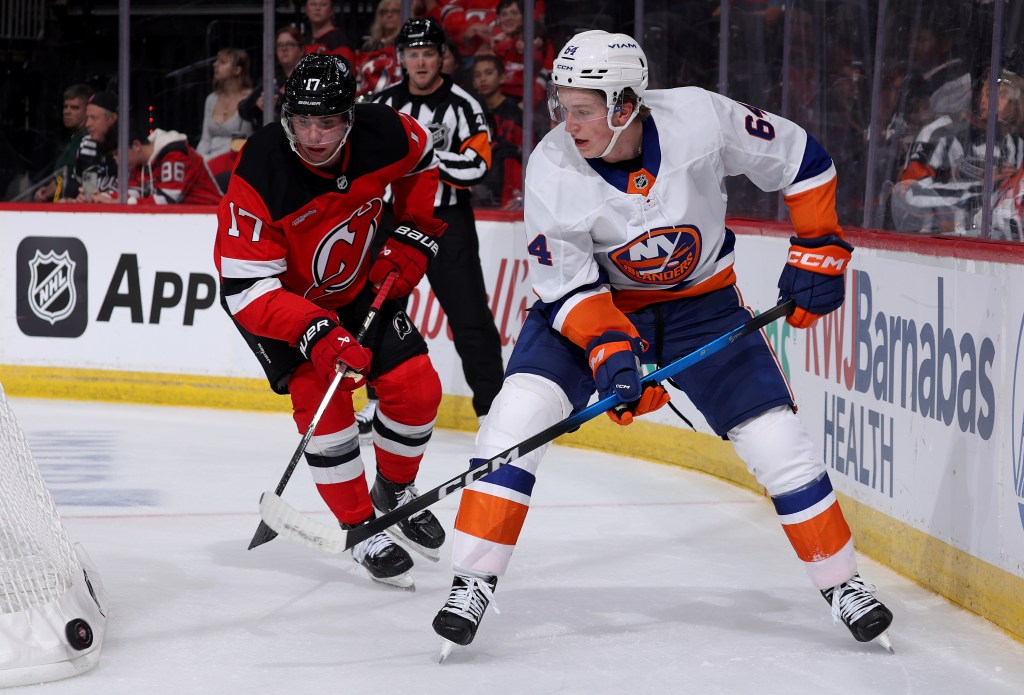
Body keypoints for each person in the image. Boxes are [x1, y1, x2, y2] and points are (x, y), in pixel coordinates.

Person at [431, 30, 894, 657]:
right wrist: (614, 353)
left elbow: (800, 157)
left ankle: (843, 585)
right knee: (514, 424)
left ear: (626, 104)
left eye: (585, 109)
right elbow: (567, 287)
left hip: (700, 307)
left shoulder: (700, 119)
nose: (569, 123)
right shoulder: (552, 166)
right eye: (562, 105)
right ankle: (473, 581)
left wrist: (819, 244)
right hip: (587, 310)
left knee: (777, 443)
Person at [213, 53, 448, 588]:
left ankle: (394, 489)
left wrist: (413, 230)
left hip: (358, 285)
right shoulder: (261, 171)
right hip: (281, 305)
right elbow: (246, 290)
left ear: (352, 115)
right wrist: (317, 331)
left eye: (329, 122)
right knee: (328, 407)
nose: (314, 136)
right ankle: (360, 526)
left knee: (417, 388)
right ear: (286, 114)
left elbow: (422, 158)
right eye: (302, 121)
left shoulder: (383, 132)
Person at [371, 17, 505, 430]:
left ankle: (493, 409)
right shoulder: (381, 104)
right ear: (401, 58)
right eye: (413, 54)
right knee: (378, 312)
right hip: (393, 219)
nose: (422, 62)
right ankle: (377, 403)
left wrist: (422, 156)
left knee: (469, 317)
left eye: (428, 53)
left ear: (441, 56)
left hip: (447, 221)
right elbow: (364, 155)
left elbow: (478, 164)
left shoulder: (464, 104)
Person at [892, 67, 1024, 238]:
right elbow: (908, 193)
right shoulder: (939, 132)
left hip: (990, 249)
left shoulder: (1016, 144)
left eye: (1003, 94)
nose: (992, 100)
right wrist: (988, 189)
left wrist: (1008, 189)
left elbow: (1011, 210)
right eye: (989, 92)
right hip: (934, 247)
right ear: (977, 97)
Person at [89, 126, 222, 205]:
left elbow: (167, 200)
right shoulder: (139, 164)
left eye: (117, 153)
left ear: (136, 146)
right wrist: (101, 197)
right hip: (182, 222)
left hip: (209, 217)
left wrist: (119, 202)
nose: (116, 160)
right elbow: (129, 194)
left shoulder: (175, 153)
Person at [197, 47, 255, 188]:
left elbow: (249, 140)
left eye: (222, 62)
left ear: (237, 70)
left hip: (234, 164)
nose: (215, 65)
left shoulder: (250, 99)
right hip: (209, 162)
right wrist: (196, 164)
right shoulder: (211, 99)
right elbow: (205, 139)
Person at [471, 54, 523, 209]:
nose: (483, 79)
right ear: (473, 82)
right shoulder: (471, 112)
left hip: (509, 188)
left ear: (502, 77)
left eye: (488, 73)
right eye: (478, 75)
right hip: (480, 186)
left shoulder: (516, 113)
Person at [34, 83, 94, 202]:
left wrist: (47, 194)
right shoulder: (72, 139)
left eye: (75, 108)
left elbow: (67, 179)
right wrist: (46, 191)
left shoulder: (89, 141)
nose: (67, 111)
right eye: (65, 107)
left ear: (88, 110)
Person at [238, 27, 306, 125]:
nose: (284, 49)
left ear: (301, 49)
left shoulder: (309, 78)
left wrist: (278, 102)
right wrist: (258, 105)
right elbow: (243, 109)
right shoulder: (271, 77)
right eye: (279, 45)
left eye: (289, 44)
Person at [68, 90, 120, 201]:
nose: (87, 124)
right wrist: (80, 196)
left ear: (112, 119)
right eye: (87, 118)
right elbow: (73, 187)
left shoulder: (128, 148)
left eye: (94, 118)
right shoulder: (87, 144)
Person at [355, 0, 404, 97]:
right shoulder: (368, 45)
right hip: (367, 97)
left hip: (396, 96)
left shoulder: (404, 43)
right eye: (385, 11)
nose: (389, 15)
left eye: (394, 11)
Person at [303, 0, 356, 64]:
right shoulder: (302, 40)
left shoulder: (339, 41)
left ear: (332, 10)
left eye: (323, 4)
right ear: (306, 10)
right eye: (313, 4)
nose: (317, 8)